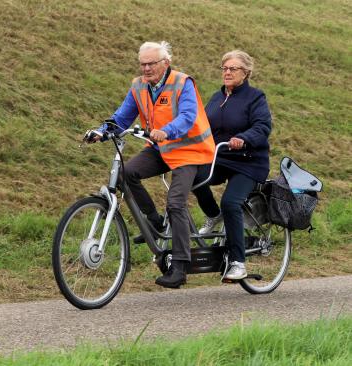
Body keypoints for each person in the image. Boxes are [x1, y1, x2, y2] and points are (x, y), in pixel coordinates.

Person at [90, 41, 215, 288]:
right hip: (161, 148)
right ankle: (154, 220)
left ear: (165, 63)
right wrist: (102, 132)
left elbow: (188, 117)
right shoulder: (139, 86)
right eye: (143, 64)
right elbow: (122, 117)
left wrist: (167, 131)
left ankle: (179, 266)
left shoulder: (182, 82)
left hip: (190, 151)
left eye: (151, 64)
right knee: (127, 173)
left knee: (176, 201)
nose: (146, 69)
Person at [193, 50, 272, 280]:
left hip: (248, 162)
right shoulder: (217, 98)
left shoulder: (256, 98)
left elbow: (262, 127)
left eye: (233, 69)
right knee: (192, 177)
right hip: (220, 157)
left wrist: (244, 138)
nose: (227, 72)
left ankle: (238, 262)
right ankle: (213, 215)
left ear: (245, 73)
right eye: (224, 68)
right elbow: (203, 126)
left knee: (231, 202)